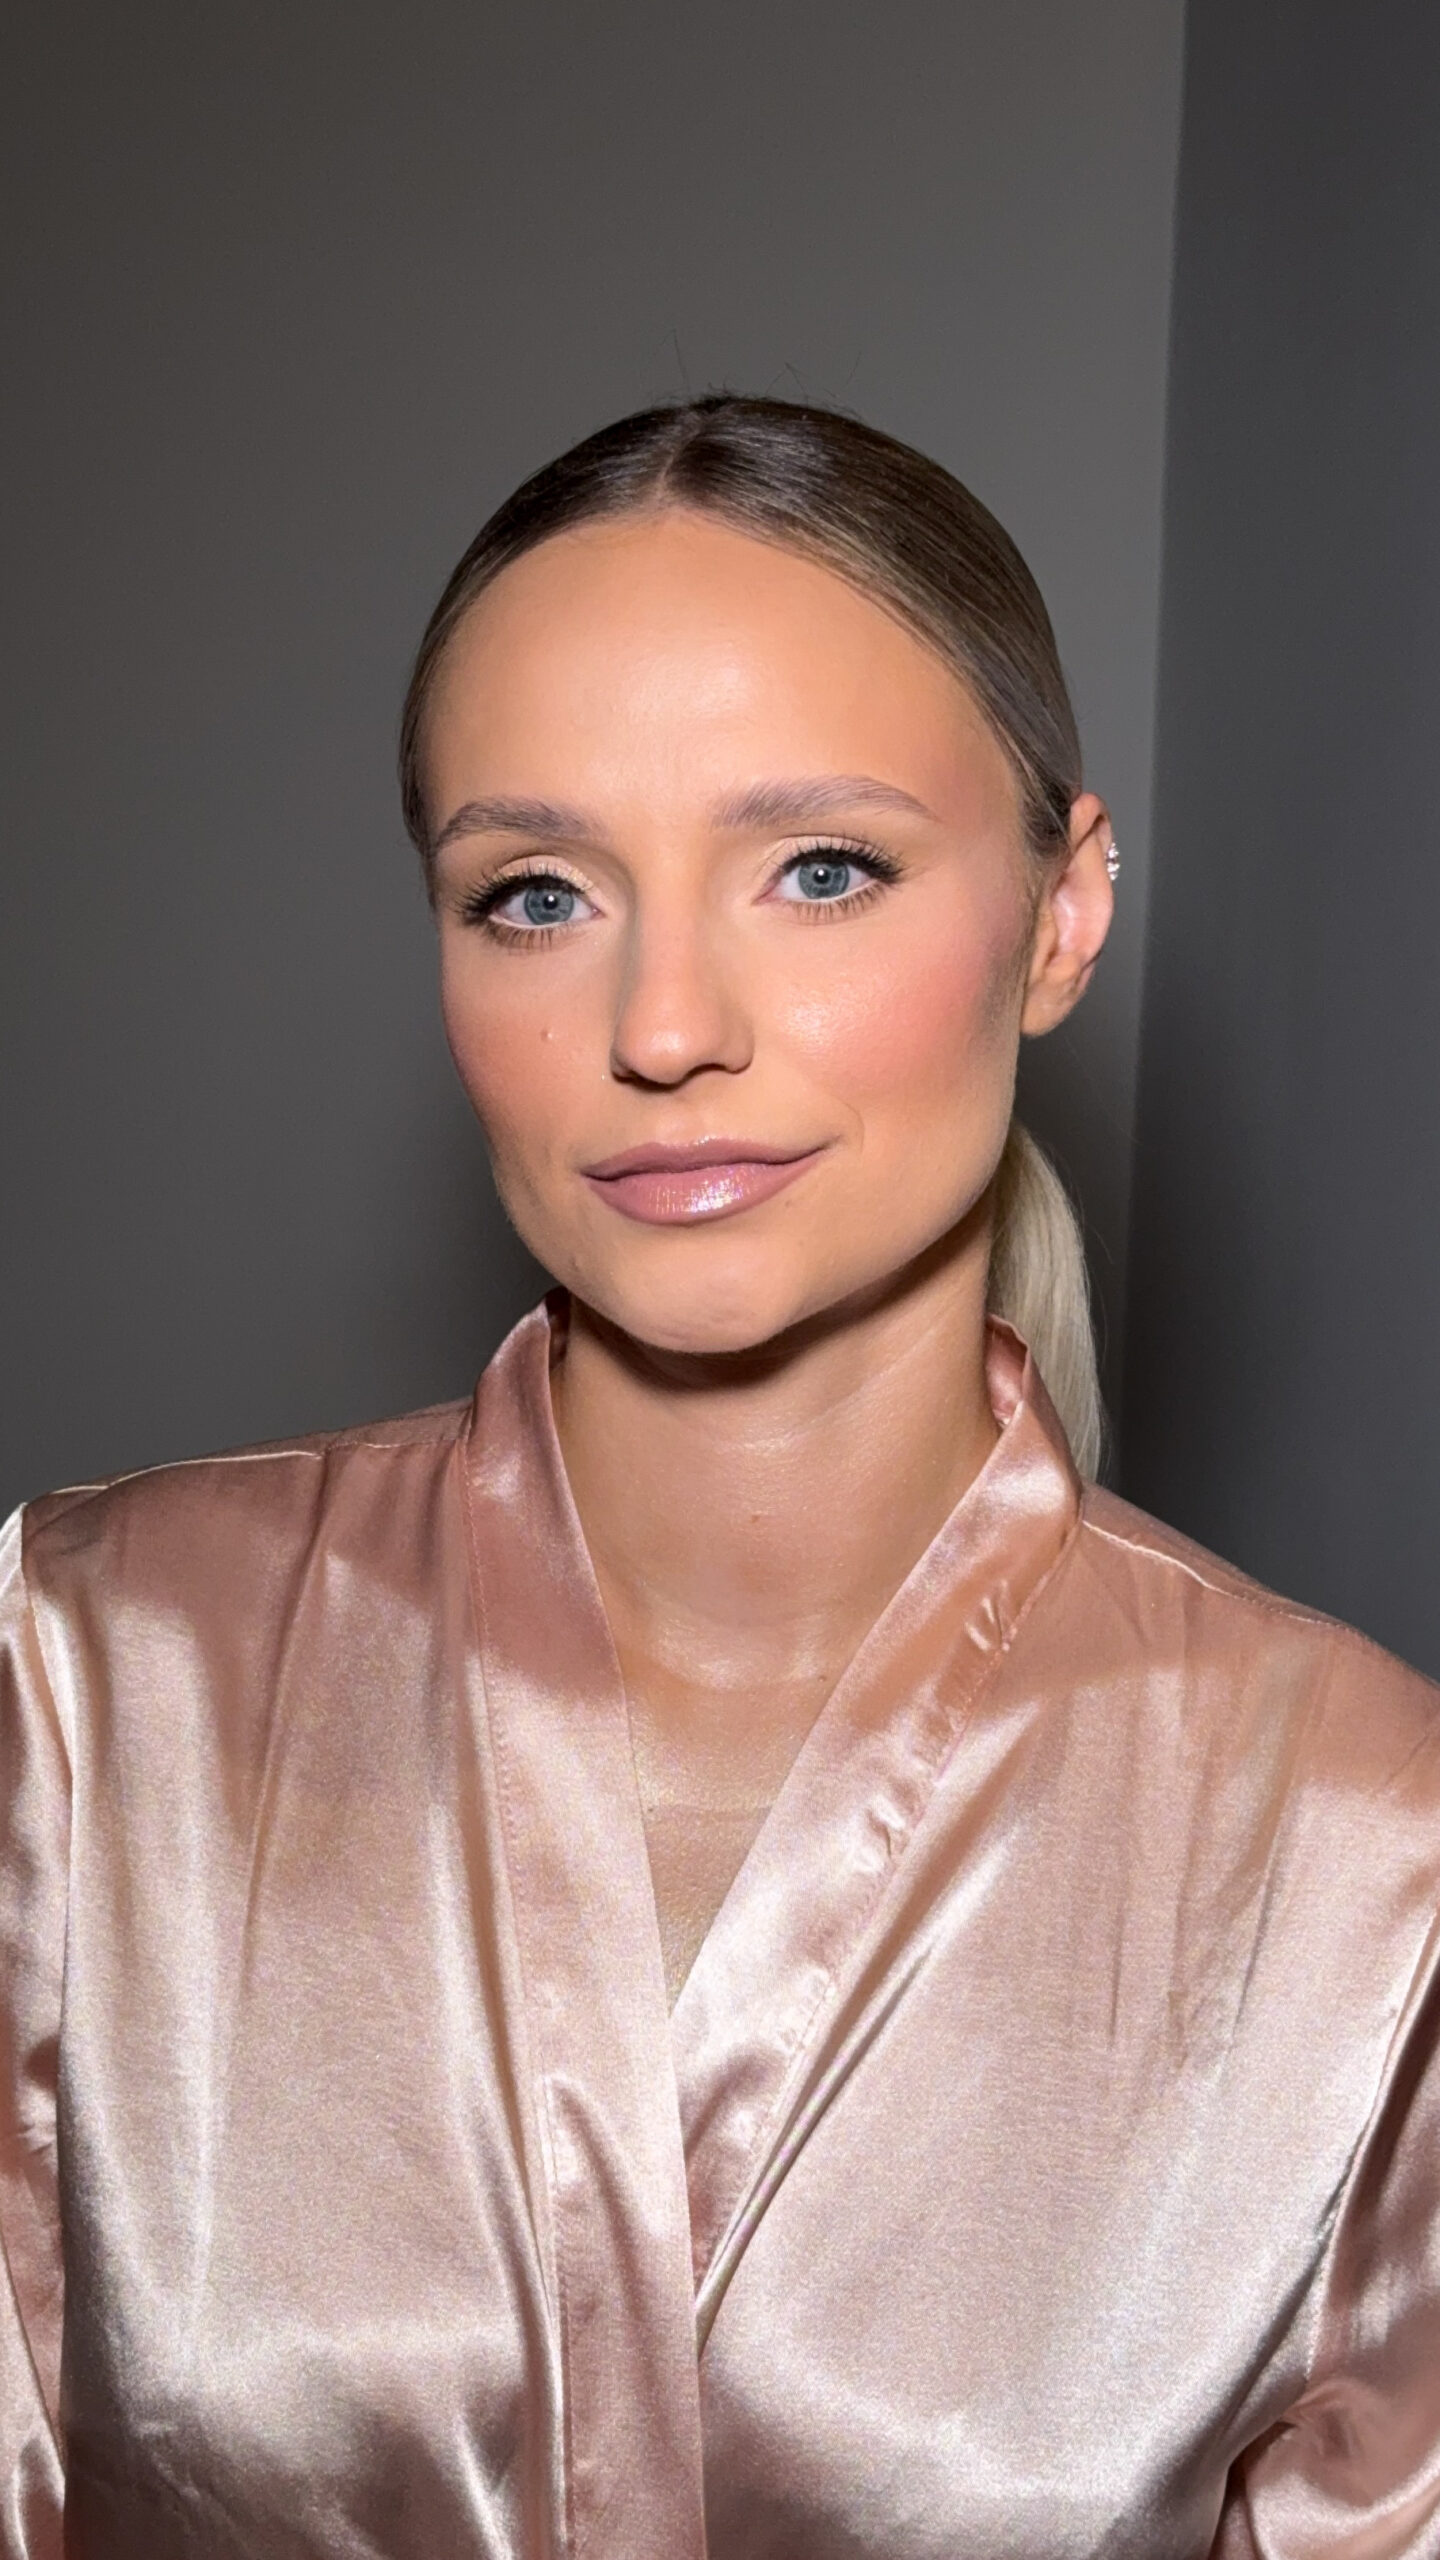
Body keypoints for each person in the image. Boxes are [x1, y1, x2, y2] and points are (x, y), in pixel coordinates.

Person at [2, 395, 1437, 2560]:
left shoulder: (1371, 1858)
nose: (663, 1023)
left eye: (821, 868)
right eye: (537, 892)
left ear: (1063, 912)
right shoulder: (88, 1681)